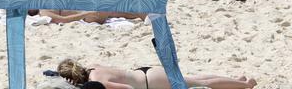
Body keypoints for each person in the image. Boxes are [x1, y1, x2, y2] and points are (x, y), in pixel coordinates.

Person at [56, 59, 254, 89]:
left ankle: (246, 85)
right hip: (146, 72)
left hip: (151, 83)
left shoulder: (97, 82)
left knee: (199, 83)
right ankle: (238, 80)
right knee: (197, 78)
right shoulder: (93, 67)